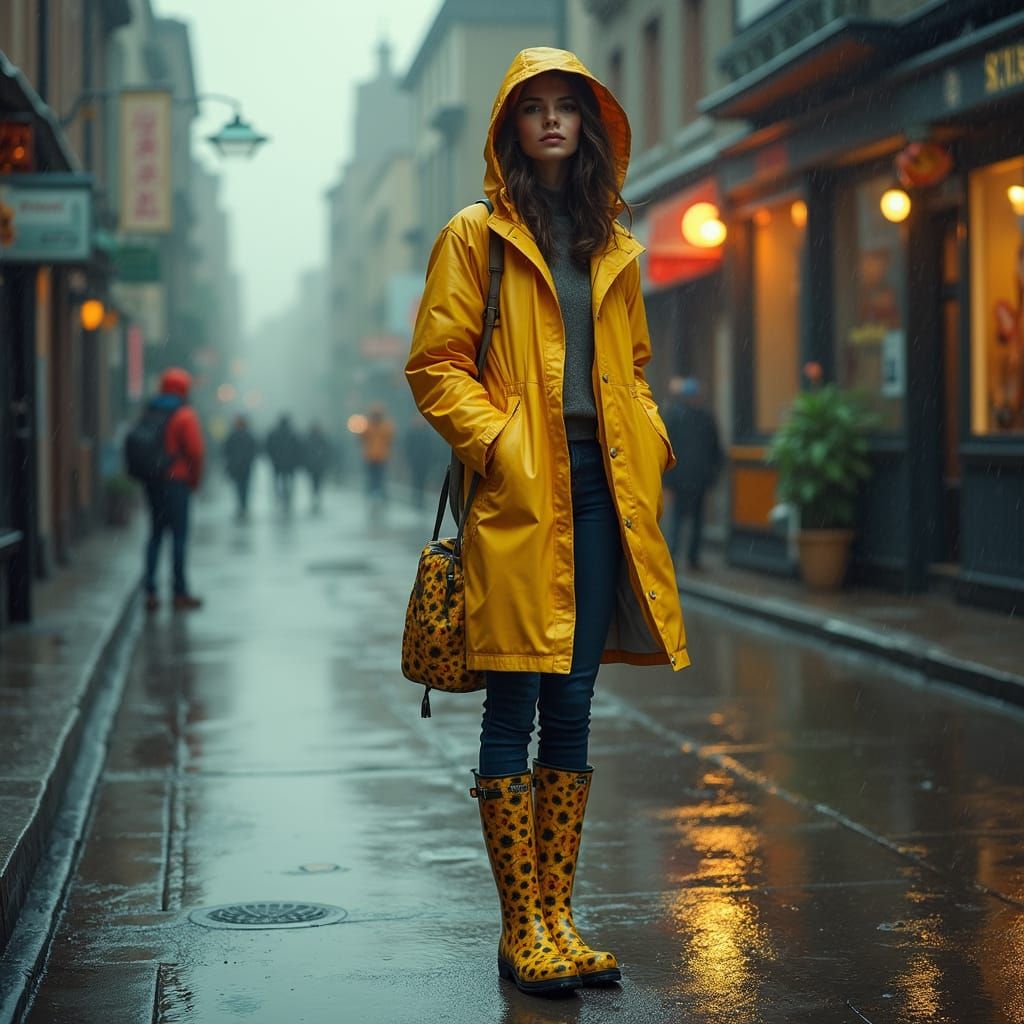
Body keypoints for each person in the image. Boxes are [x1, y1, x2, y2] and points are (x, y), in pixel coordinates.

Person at [405, 47, 688, 997]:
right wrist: (503, 446)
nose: (554, 120)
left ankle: (560, 920)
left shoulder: (612, 240)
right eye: (536, 108)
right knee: (514, 700)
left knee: (573, 702)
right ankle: (520, 926)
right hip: (521, 497)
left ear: (591, 126)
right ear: (510, 128)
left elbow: (633, 365)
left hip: (606, 492)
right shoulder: (475, 236)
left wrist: (649, 437)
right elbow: (436, 365)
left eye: (570, 106)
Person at [142, 368, 204, 611]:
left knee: (155, 536)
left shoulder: (150, 411)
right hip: (177, 482)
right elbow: (195, 452)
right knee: (178, 538)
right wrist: (194, 480)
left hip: (154, 482)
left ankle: (150, 592)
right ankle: (179, 592)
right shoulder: (184, 415)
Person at [662, 376, 723, 571]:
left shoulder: (678, 418)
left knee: (685, 521)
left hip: (689, 479)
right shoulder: (696, 418)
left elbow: (715, 450)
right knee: (687, 520)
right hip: (690, 479)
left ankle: (681, 558)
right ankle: (683, 558)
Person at [223, 415, 258, 521]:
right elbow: (253, 450)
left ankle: (241, 506)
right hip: (246, 466)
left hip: (236, 466)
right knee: (245, 487)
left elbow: (226, 450)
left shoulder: (232, 436)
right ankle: (244, 506)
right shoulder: (249, 435)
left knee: (238, 487)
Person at [360, 404, 395, 507]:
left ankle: (380, 495)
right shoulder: (368, 426)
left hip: (381, 457)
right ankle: (373, 494)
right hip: (370, 457)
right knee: (372, 477)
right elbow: (362, 438)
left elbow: (390, 438)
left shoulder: (386, 426)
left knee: (380, 477)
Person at [264, 414, 302, 512]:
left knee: (277, 481)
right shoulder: (293, 434)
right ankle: (287, 498)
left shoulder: (274, 433)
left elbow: (268, 447)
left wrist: (273, 458)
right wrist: (296, 460)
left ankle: (279, 497)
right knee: (288, 482)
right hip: (290, 464)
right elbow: (298, 449)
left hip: (278, 463)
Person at [304, 420, 334, 512]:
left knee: (314, 483)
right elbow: (327, 452)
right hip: (317, 466)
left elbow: (305, 453)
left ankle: (315, 497)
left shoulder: (309, 439)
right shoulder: (321, 439)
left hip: (313, 466)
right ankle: (316, 497)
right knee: (317, 483)